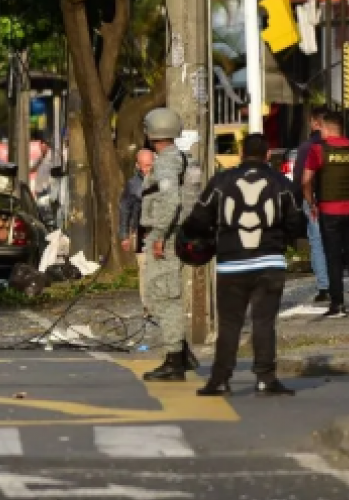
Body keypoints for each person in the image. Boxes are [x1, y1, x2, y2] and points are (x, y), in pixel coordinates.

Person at [183, 133, 306, 397]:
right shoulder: (283, 184)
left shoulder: (220, 182)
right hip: (270, 263)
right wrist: (281, 238)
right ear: (268, 154)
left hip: (232, 263)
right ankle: (265, 378)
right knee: (264, 322)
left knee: (230, 324)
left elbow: (197, 219)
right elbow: (297, 224)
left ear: (241, 153)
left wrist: (205, 240)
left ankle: (220, 379)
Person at [302, 108, 349, 318]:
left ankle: (338, 305)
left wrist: (311, 203)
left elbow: (305, 181)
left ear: (326, 128)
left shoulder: (317, 151)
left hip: (329, 210)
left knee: (333, 257)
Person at [139, 108, 196, 380]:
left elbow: (170, 199)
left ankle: (174, 360)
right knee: (162, 294)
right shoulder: (183, 158)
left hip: (167, 237)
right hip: (176, 233)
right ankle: (182, 353)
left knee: (163, 298)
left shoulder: (165, 162)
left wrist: (160, 234)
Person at [295, 109, 329, 304]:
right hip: (338, 199)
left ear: (314, 122)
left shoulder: (307, 147)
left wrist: (307, 201)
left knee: (317, 242)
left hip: (313, 199)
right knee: (335, 241)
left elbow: (301, 179)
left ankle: (324, 287)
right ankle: (338, 285)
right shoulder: (342, 145)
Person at [119, 148, 156, 316]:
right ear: (138, 166)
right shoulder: (133, 185)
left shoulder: (164, 180)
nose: (149, 168)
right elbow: (124, 210)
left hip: (160, 230)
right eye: (146, 165)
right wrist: (124, 235)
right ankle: (147, 305)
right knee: (145, 268)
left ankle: (160, 303)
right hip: (140, 231)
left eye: (151, 164)